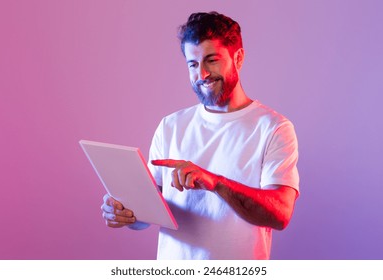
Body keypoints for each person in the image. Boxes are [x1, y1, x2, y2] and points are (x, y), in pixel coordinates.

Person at [101, 11, 299, 260]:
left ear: (238, 58)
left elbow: (280, 214)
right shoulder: (170, 126)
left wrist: (214, 183)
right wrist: (126, 213)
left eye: (212, 60)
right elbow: (149, 213)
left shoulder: (274, 128)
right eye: (193, 64)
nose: (202, 74)